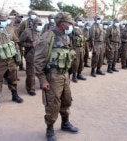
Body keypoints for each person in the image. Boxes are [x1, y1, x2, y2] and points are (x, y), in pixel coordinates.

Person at [34, 12, 79, 141]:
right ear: (62, 23)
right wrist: (42, 79)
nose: (71, 26)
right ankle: (50, 129)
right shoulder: (48, 36)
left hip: (65, 75)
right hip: (53, 76)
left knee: (67, 100)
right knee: (53, 103)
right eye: (69, 23)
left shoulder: (66, 36)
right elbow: (38, 60)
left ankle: (65, 123)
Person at [18, 18, 43, 96]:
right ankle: (30, 89)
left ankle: (42, 84)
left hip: (41, 56)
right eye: (38, 24)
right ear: (33, 24)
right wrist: (30, 45)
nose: (40, 26)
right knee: (31, 74)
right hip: (31, 55)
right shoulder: (27, 32)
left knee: (41, 72)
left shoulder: (41, 32)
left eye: (41, 24)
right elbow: (20, 42)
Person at [71, 16, 87, 83]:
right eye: (79, 20)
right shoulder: (72, 29)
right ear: (76, 21)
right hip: (75, 47)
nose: (81, 21)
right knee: (76, 62)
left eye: (81, 20)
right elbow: (70, 39)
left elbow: (83, 39)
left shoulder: (82, 29)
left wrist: (84, 48)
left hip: (81, 47)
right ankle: (74, 75)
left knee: (81, 61)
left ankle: (79, 74)